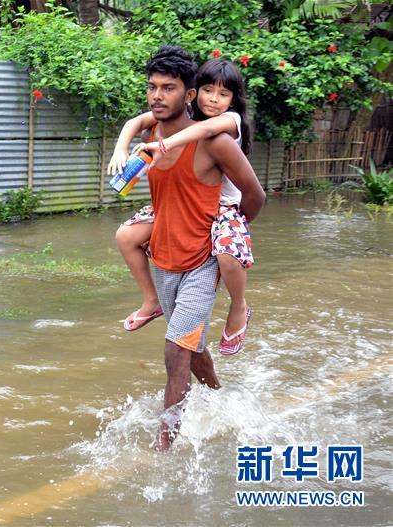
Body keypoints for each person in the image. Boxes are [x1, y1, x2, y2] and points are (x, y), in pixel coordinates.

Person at [119, 46, 265, 450]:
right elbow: (137, 126)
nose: (157, 96)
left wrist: (227, 230)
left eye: (168, 88)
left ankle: (164, 448)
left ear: (187, 95)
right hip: (164, 260)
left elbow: (255, 195)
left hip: (202, 262)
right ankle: (222, 399)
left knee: (175, 353)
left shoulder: (217, 139)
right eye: (152, 87)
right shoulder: (151, 134)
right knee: (194, 346)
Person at [108, 58, 255, 355]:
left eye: (224, 94)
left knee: (227, 257)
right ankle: (151, 301)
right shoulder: (183, 116)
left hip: (222, 208)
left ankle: (239, 307)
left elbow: (203, 131)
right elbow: (135, 122)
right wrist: (121, 149)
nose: (214, 99)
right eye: (207, 90)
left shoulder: (231, 122)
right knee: (126, 236)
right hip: (181, 203)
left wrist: (164, 144)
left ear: (234, 99)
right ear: (193, 93)